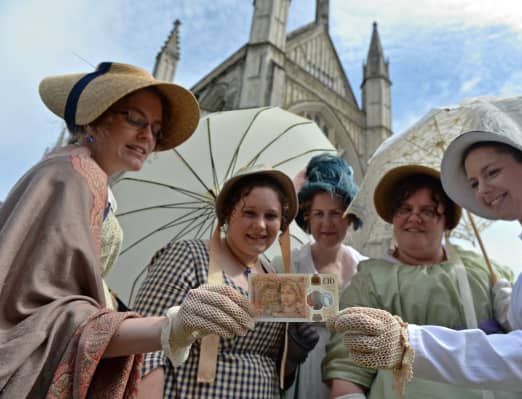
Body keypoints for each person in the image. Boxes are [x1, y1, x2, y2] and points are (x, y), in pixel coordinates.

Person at [0, 62, 260, 398]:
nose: (147, 137)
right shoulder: (73, 176)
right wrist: (171, 325)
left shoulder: (88, 177)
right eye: (134, 119)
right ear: (96, 116)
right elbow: (45, 319)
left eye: (156, 129)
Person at [328, 109, 522, 399]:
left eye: (492, 172)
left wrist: (411, 344)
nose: (483, 189)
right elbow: (347, 366)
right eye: (473, 183)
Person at [324, 164, 522, 399]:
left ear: (446, 220)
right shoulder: (370, 280)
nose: (414, 218)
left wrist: (519, 315)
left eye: (427, 211)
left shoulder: (487, 271)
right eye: (404, 209)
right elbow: (348, 367)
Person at [133, 165, 320, 398]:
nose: (260, 225)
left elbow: (268, 362)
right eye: (249, 213)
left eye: (270, 216)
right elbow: (145, 350)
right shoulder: (188, 255)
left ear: (281, 223)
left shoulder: (273, 276)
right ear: (228, 214)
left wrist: (291, 354)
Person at [272, 153, 366, 399]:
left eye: (336, 213)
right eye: (318, 214)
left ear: (350, 215)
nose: (327, 223)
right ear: (307, 217)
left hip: (352, 377)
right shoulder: (286, 265)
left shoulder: (365, 268)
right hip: (302, 376)